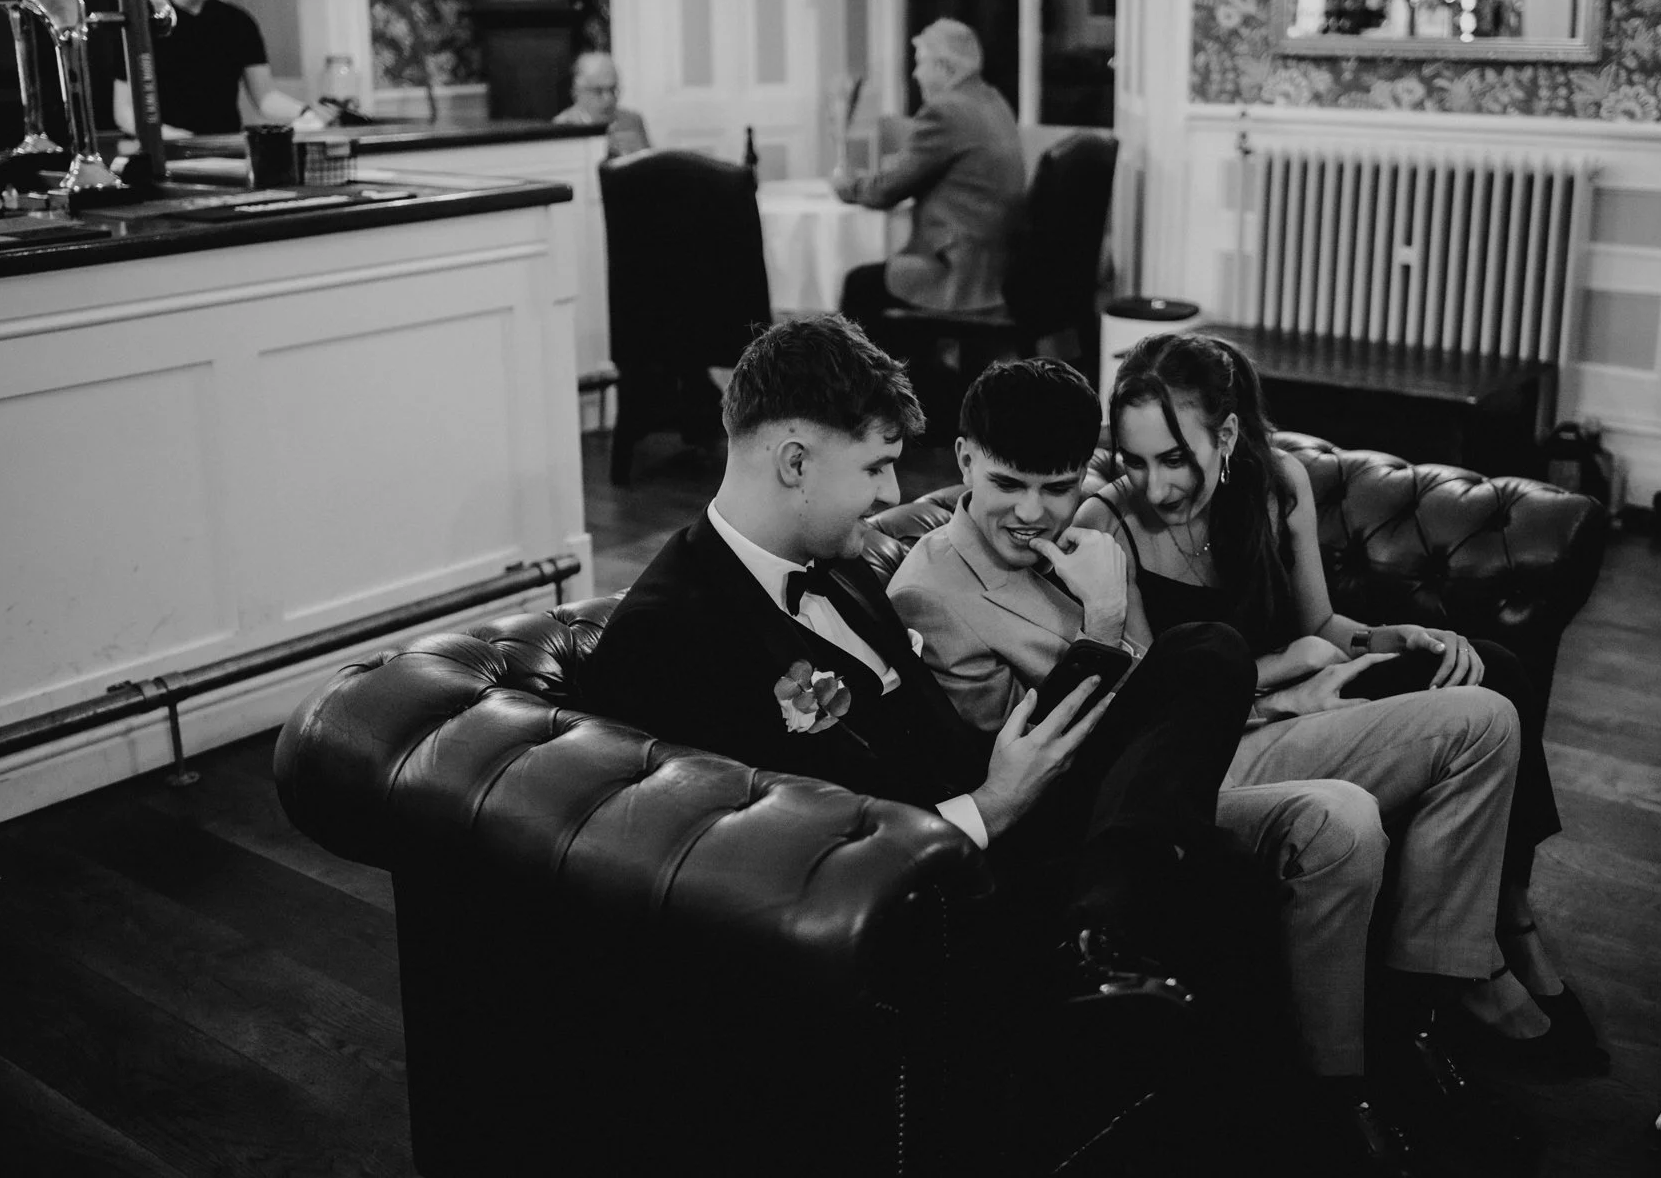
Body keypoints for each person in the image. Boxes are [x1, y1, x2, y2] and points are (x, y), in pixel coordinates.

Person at [890, 357, 1536, 1175]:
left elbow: (1186, 674)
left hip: (1198, 761)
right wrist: (1106, 611)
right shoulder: (933, 590)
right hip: (1109, 807)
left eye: (1056, 485)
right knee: (1340, 816)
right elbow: (1035, 766)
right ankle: (1337, 1097)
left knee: (1485, 708)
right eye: (1009, 483)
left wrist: (1313, 672)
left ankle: (1402, 1036)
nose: (1033, 511)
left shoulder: (1087, 541)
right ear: (962, 462)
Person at [587, 315, 1249, 1011]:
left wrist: (1022, 757)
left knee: (1206, 653)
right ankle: (1095, 933)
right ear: (794, 462)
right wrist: (991, 805)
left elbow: (938, 741)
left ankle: (1099, 931)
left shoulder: (842, 571)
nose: (892, 495)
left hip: (992, 814)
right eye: (875, 467)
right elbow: (765, 861)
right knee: (1216, 869)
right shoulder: (667, 633)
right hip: (914, 891)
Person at [1082, 331, 1609, 1073]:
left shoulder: (1276, 483)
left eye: (1175, 458)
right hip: (1226, 740)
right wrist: (1289, 677)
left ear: (1227, 434)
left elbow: (1322, 626)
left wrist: (1400, 636)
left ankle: (1502, 921)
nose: (1157, 485)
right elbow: (1152, 704)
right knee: (1472, 697)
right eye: (1134, 460)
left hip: (1305, 696)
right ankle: (1477, 963)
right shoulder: (1108, 524)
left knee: (1490, 668)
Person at [834, 19, 1026, 332]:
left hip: (961, 272)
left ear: (944, 68)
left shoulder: (946, 111)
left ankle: (870, 379)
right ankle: (912, 372)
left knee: (860, 286)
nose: (915, 74)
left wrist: (847, 186)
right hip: (997, 264)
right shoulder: (993, 101)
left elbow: (884, 191)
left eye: (920, 63)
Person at [113, 0, 328, 138]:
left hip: (227, 150)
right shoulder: (142, 22)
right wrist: (171, 137)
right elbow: (124, 110)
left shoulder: (236, 21)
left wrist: (305, 111)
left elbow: (265, 97)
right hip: (168, 152)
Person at [553, 51, 650, 157]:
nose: (608, 99)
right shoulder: (563, 126)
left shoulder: (632, 121)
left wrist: (640, 153)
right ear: (577, 93)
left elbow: (654, 168)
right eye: (598, 91)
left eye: (613, 90)